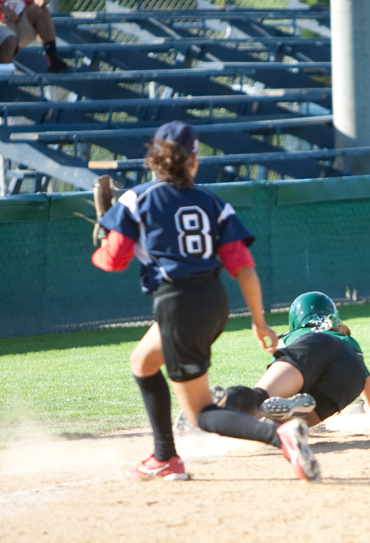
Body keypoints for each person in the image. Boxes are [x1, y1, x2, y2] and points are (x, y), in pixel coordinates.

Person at [92, 121, 321, 482]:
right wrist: (259, 321)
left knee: (201, 413)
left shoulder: (136, 198)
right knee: (143, 362)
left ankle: (279, 435)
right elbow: (244, 268)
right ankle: (164, 455)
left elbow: (114, 260)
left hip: (177, 303)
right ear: (194, 161)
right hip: (213, 301)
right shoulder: (212, 202)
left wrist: (104, 243)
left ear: (155, 160)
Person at [208, 291, 370, 427]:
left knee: (258, 400)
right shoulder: (347, 339)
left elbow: (268, 390)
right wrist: (363, 407)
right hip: (351, 369)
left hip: (316, 345)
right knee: (280, 427)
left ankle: (222, 402)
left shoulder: (289, 338)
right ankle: (293, 415)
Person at [0, 0, 68, 72]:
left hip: (21, 22)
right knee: (9, 40)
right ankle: (0, 81)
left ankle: (53, 60)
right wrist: (0, 8)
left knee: (39, 10)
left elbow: (40, 3)